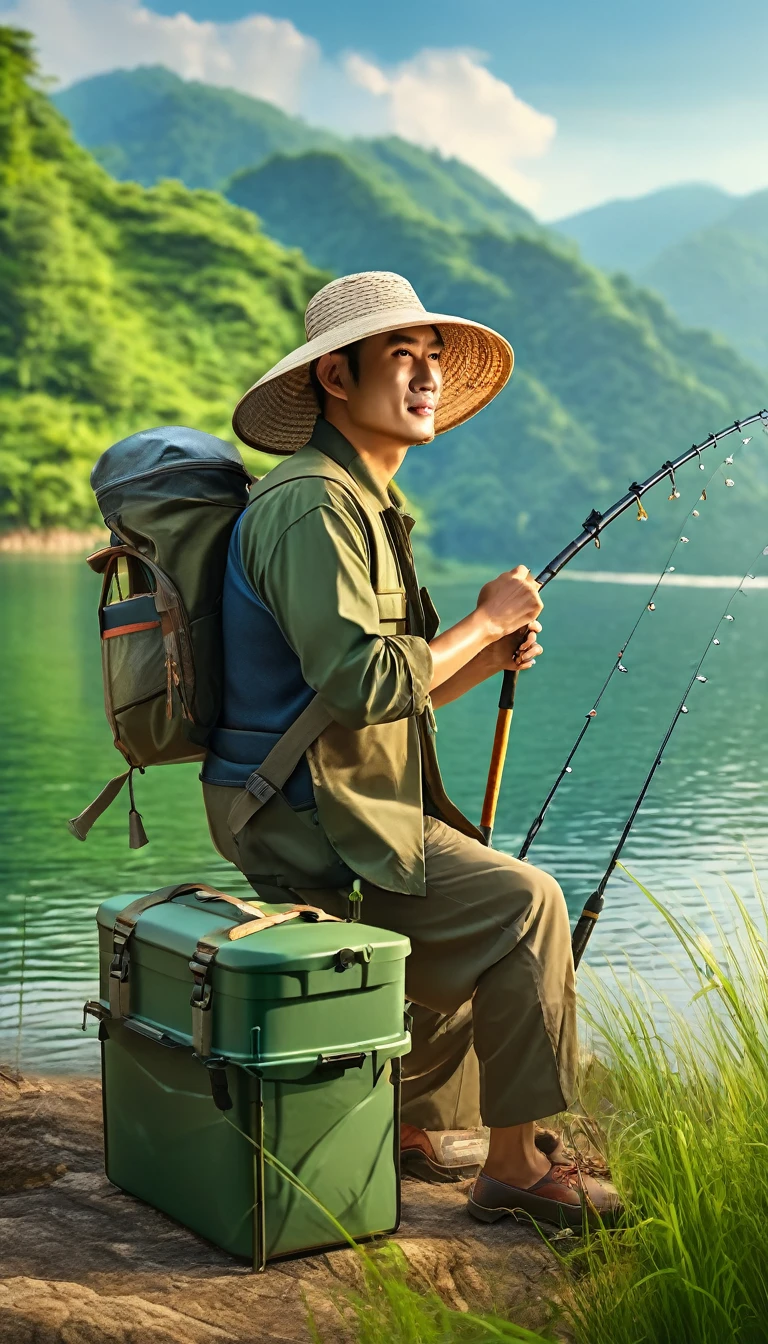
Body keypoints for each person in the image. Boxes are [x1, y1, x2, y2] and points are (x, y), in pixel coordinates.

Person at [202, 270, 618, 1229]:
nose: (428, 376)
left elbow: (384, 698)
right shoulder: (314, 506)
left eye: (434, 359)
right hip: (309, 819)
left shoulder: (363, 502)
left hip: (326, 796)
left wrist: (483, 654)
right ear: (336, 379)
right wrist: (480, 620)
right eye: (403, 357)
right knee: (523, 904)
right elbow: (364, 684)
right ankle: (514, 1166)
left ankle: (417, 1125)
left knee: (470, 887)